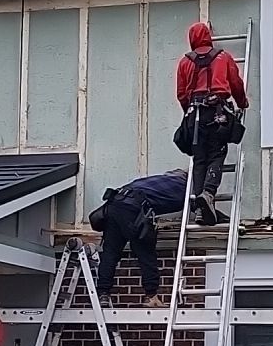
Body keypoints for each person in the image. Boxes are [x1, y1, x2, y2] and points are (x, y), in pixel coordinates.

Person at [175, 22, 249, 226]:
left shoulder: (185, 62)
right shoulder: (223, 57)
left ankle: (200, 210)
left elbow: (182, 94)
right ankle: (208, 194)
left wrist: (189, 116)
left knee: (200, 160)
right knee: (216, 155)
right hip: (217, 114)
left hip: (195, 116)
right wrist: (242, 104)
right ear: (208, 36)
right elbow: (235, 84)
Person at [89, 169, 188, 308]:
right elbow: (197, 206)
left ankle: (103, 294)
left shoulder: (157, 180)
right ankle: (151, 297)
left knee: (110, 253)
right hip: (132, 209)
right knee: (146, 252)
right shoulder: (184, 188)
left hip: (114, 205)